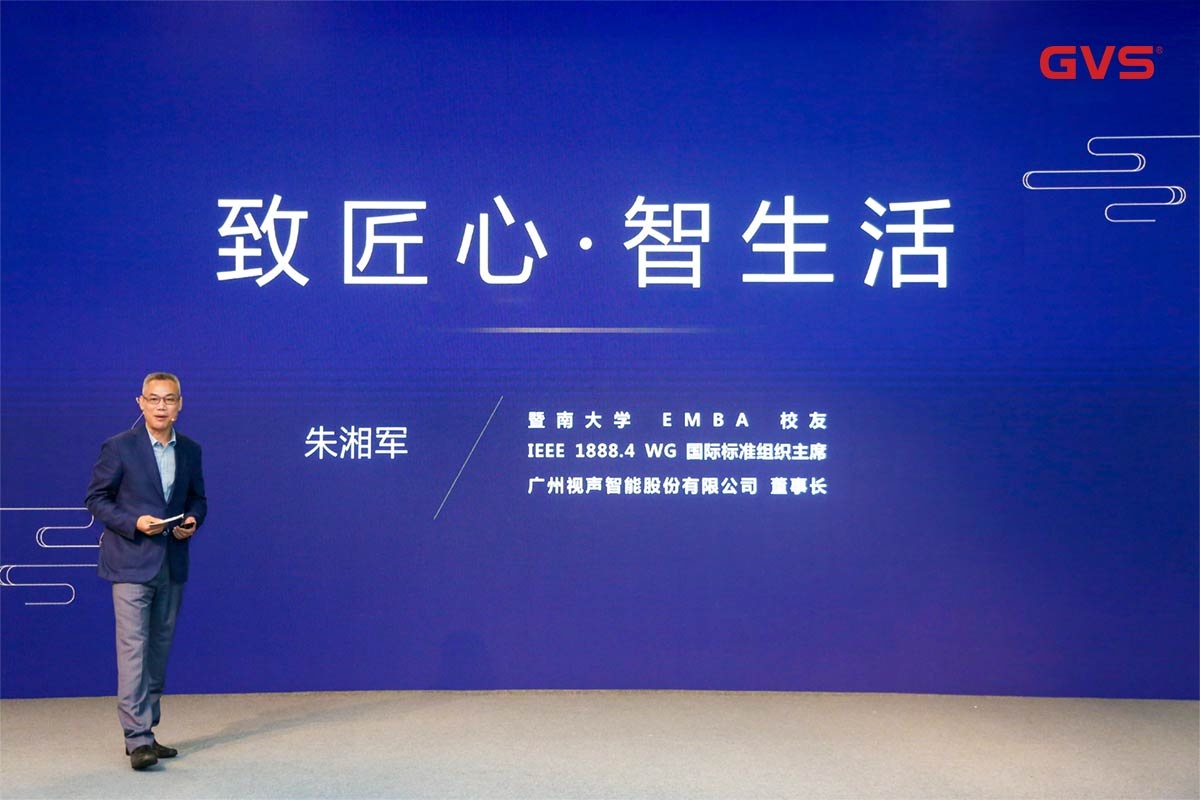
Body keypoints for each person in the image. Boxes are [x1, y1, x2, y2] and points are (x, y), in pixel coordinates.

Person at [85, 372, 207, 771]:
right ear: (141, 402)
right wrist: (134, 522)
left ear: (180, 405)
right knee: (133, 651)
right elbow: (96, 499)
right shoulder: (119, 447)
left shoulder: (190, 450)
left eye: (169, 399)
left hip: (171, 563)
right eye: (153, 399)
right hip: (130, 561)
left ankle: (146, 732)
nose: (161, 406)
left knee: (157, 651)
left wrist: (192, 520)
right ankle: (136, 737)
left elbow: (198, 499)